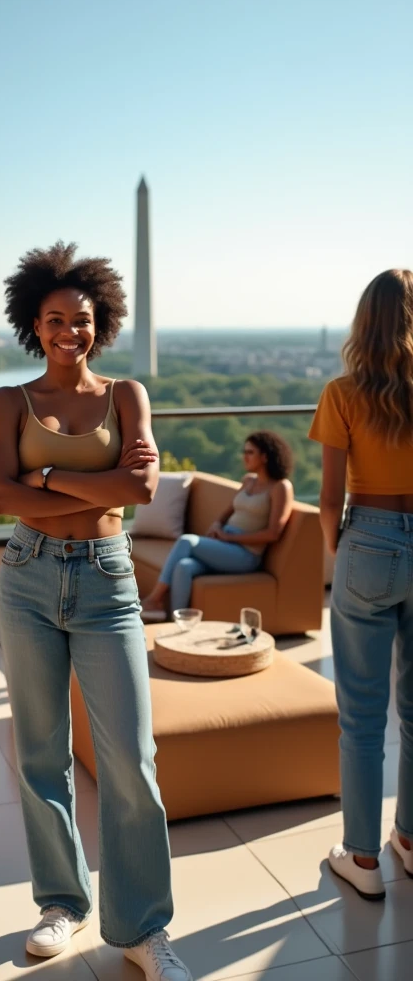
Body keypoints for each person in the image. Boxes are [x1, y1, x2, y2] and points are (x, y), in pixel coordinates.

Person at [0, 242, 191, 980]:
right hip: (27, 579)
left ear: (99, 324)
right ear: (33, 325)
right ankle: (61, 904)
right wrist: (94, 480)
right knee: (43, 752)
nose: (69, 331)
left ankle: (142, 928)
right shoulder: (10, 401)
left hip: (107, 581)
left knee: (132, 758)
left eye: (82, 320)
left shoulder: (125, 395)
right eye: (54, 320)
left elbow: (140, 491)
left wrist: (45, 473)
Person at [309, 268, 413, 899]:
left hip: (367, 539)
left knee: (362, 717)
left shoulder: (343, 392)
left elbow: (327, 501)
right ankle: (411, 838)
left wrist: (340, 552)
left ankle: (363, 860)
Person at [141, 432, 294, 621]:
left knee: (187, 541)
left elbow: (273, 533)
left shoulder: (280, 487)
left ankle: (154, 599)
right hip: (225, 545)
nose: (244, 456)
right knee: (184, 566)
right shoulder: (249, 481)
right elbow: (229, 511)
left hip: (245, 555)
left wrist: (230, 538)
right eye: (244, 451)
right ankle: (175, 623)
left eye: (250, 452)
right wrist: (216, 526)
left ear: (265, 456)